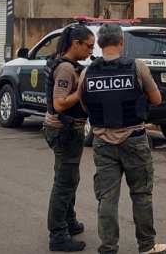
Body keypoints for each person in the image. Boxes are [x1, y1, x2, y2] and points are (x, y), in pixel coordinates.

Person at [76, 22, 166, 254]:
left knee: (107, 197)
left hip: (102, 142)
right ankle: (147, 246)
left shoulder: (87, 72)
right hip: (134, 138)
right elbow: (156, 99)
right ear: (121, 42)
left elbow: (85, 105)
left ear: (99, 44)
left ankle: (108, 248)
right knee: (141, 194)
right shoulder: (136, 66)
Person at [44, 24, 95, 252]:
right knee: (64, 184)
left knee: (69, 178)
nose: (90, 52)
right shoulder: (65, 68)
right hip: (64, 131)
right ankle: (58, 235)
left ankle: (69, 221)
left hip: (65, 130)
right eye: (89, 47)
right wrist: (81, 91)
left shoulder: (66, 63)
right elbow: (59, 103)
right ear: (76, 44)